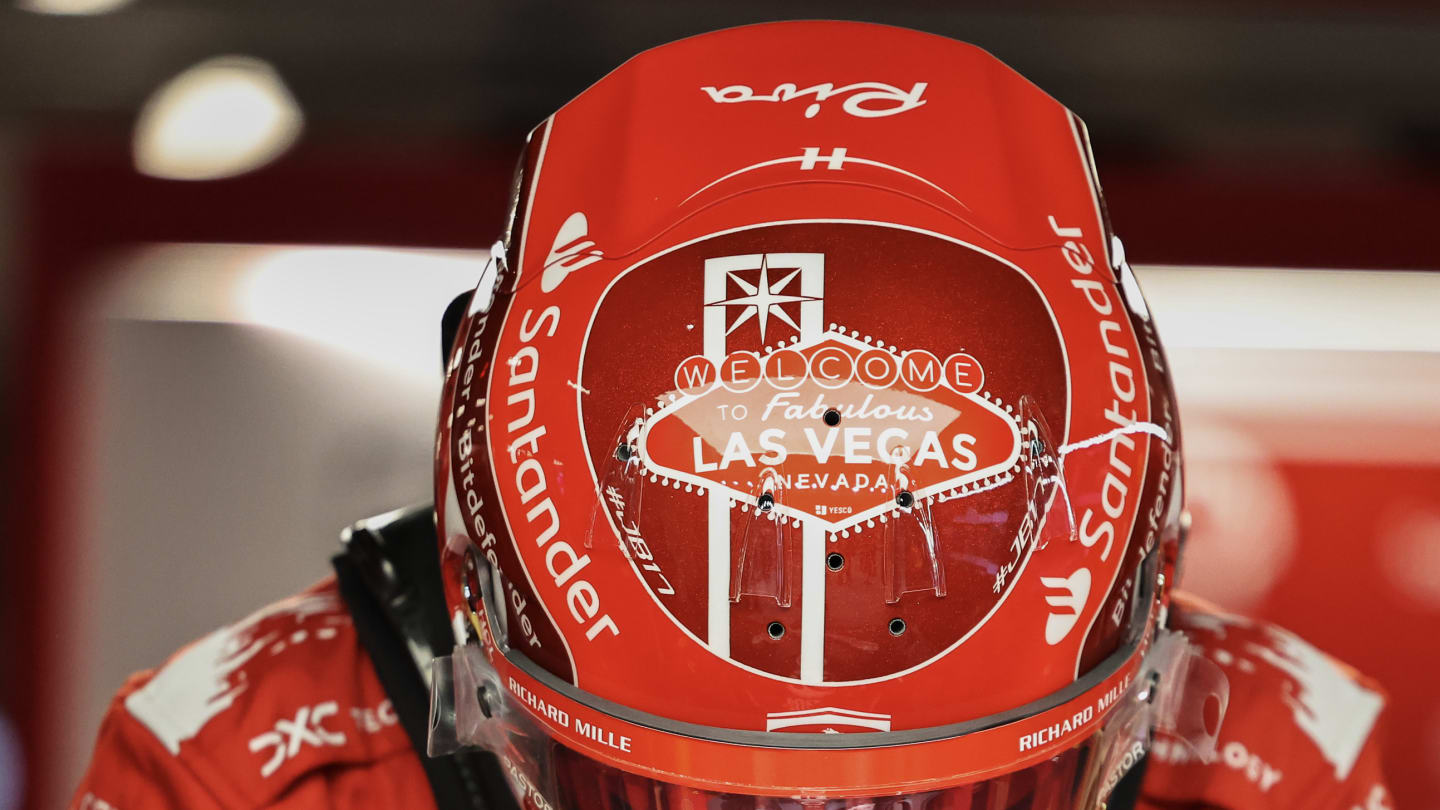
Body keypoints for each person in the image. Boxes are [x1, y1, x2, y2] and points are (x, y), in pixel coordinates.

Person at [71, 20, 1391, 810]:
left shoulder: (1289, 761)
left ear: (1141, 660)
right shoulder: (237, 767)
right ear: (479, 649)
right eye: (660, 797)